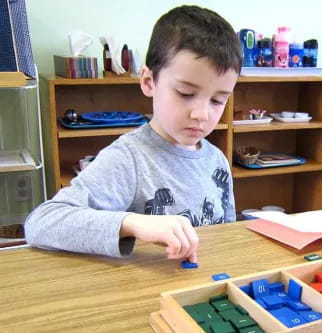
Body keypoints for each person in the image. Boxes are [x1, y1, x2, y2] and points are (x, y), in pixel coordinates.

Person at [25, 5, 243, 262]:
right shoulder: (129, 159)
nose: (202, 114)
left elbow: (229, 235)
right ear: (149, 82)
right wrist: (131, 223)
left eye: (218, 100)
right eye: (185, 93)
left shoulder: (216, 160)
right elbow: (41, 223)